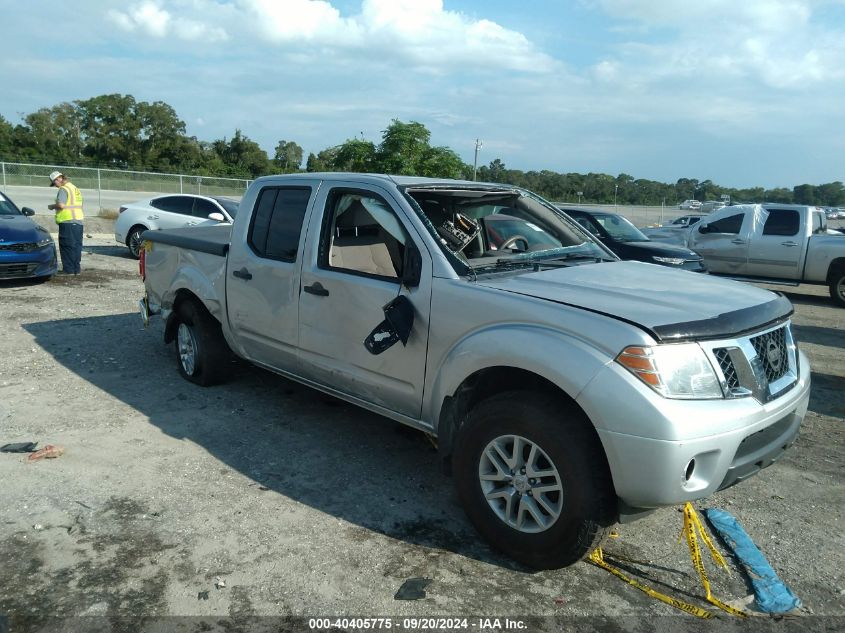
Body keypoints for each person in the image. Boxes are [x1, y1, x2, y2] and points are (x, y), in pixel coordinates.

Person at [47, 171, 84, 275]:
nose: (55, 186)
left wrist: (52, 206)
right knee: (76, 246)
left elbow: (61, 205)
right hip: (78, 221)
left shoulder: (63, 189)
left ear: (58, 179)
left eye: (54, 183)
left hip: (67, 221)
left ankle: (68, 270)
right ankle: (76, 270)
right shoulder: (75, 189)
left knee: (66, 246)